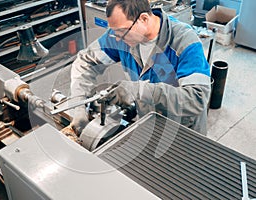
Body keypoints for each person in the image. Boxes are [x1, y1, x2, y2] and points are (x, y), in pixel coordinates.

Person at [61, 0, 211, 140]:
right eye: (115, 33)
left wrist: (139, 91)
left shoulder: (184, 41)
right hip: (149, 121)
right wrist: (78, 104)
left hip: (182, 129)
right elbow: (85, 62)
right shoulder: (119, 34)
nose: (117, 40)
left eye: (122, 32)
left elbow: (197, 98)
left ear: (144, 19)